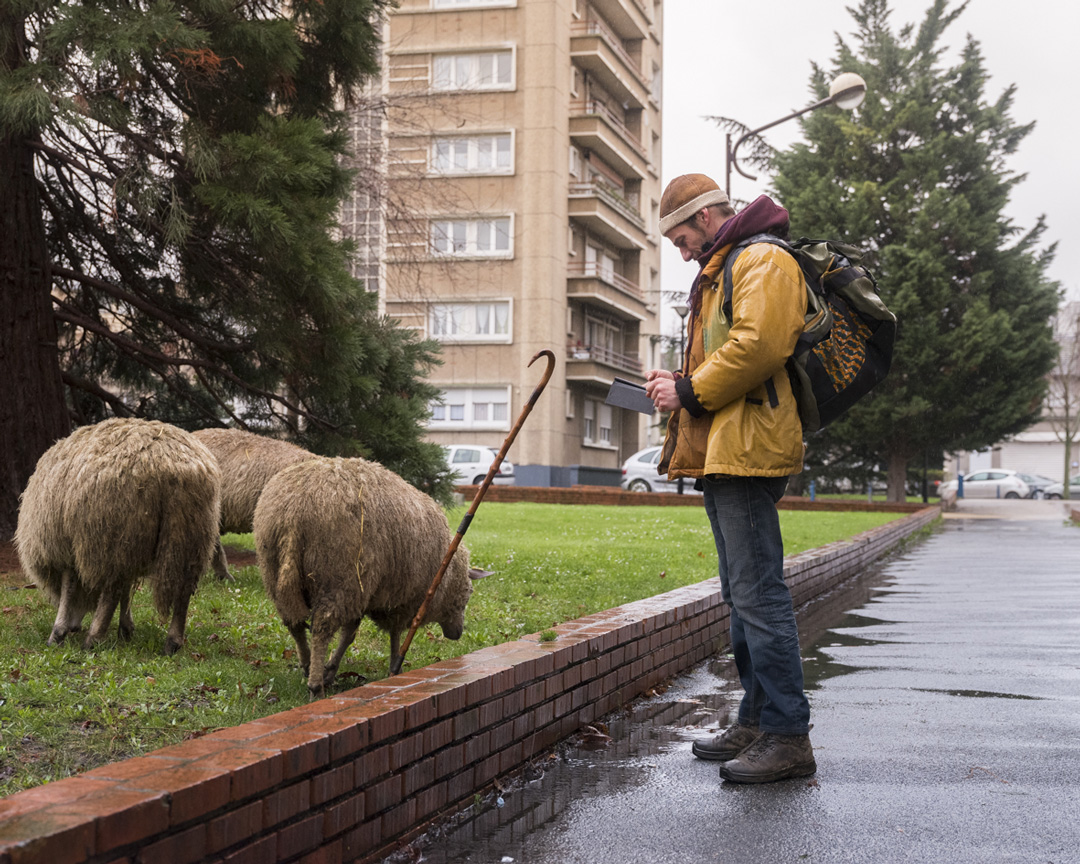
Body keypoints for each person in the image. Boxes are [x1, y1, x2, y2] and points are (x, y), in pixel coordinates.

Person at [645, 173, 815, 784]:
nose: (683, 252)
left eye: (683, 238)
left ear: (710, 216)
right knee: (741, 595)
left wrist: (688, 389)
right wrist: (679, 384)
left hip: (748, 450)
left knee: (759, 593)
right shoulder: (727, 267)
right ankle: (756, 717)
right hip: (726, 448)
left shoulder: (763, 258)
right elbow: (730, 350)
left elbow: (760, 346)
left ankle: (788, 735)